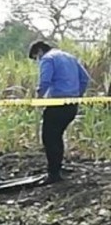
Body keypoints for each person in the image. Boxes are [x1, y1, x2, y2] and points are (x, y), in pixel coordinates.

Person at [28, 40, 91, 184]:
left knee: (49, 138)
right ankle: (57, 169)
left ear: (39, 51)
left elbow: (45, 81)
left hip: (57, 104)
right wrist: (78, 95)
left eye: (35, 58)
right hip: (71, 106)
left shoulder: (48, 59)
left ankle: (54, 174)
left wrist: (38, 99)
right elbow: (85, 78)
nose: (37, 61)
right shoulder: (70, 57)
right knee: (57, 136)